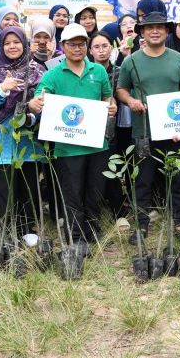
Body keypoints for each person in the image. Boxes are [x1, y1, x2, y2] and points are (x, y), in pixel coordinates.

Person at [35, 23, 116, 250]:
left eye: (81, 44)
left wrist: (111, 106)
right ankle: (76, 233)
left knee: (95, 190)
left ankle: (91, 226)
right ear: (63, 46)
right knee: (72, 192)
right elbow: (39, 97)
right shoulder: (53, 74)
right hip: (68, 146)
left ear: (86, 46)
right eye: (72, 44)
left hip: (97, 143)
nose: (77, 48)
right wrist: (35, 103)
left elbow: (108, 98)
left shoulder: (98, 71)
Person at [116, 12, 180, 243]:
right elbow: (121, 89)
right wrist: (130, 101)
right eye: (149, 27)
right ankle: (140, 226)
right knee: (142, 180)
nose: (155, 31)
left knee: (177, 180)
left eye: (160, 27)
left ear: (167, 31)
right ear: (141, 32)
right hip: (143, 132)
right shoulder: (131, 61)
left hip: (175, 132)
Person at [0, 26, 46, 242]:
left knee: (28, 189)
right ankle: (6, 232)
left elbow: (46, 104)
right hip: (1, 142)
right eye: (7, 43)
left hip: (28, 142)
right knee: (3, 192)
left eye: (16, 42)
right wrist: (3, 89)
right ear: (1, 46)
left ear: (24, 44)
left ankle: (28, 229)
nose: (12, 46)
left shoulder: (38, 69)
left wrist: (33, 113)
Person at [90, 30, 132, 219]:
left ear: (111, 48)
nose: (101, 51)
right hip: (88, 128)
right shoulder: (85, 73)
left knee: (113, 165)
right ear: (90, 50)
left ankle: (118, 209)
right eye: (96, 47)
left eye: (105, 46)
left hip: (115, 128)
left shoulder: (119, 71)